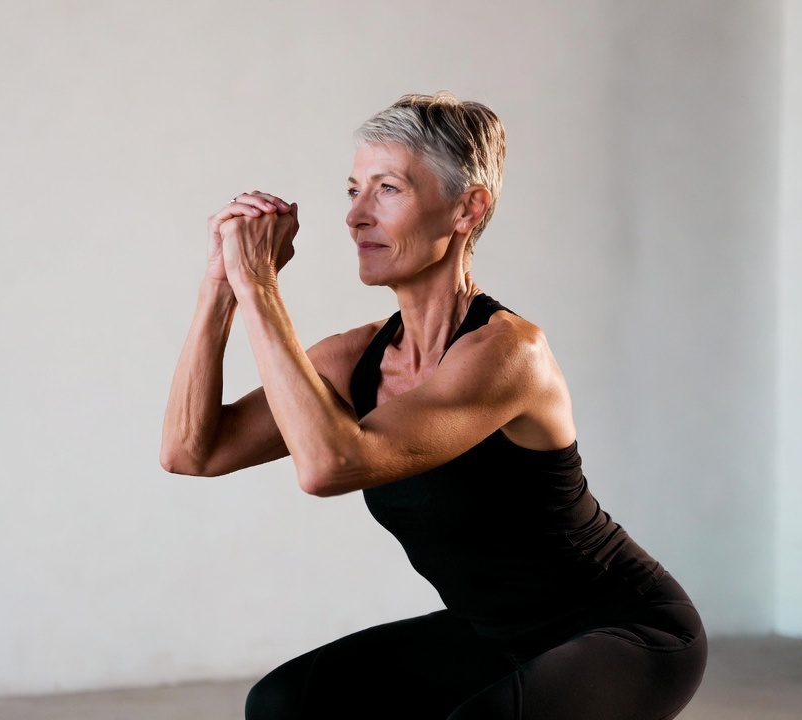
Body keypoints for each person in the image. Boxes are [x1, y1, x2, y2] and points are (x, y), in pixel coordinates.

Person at [160, 92, 707, 720]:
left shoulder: (508, 352)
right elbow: (191, 450)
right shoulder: (356, 358)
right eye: (352, 190)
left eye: (387, 189)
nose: (356, 216)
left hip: (624, 631)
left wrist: (260, 286)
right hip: (492, 633)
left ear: (467, 209)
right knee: (285, 705)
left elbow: (329, 466)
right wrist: (221, 289)